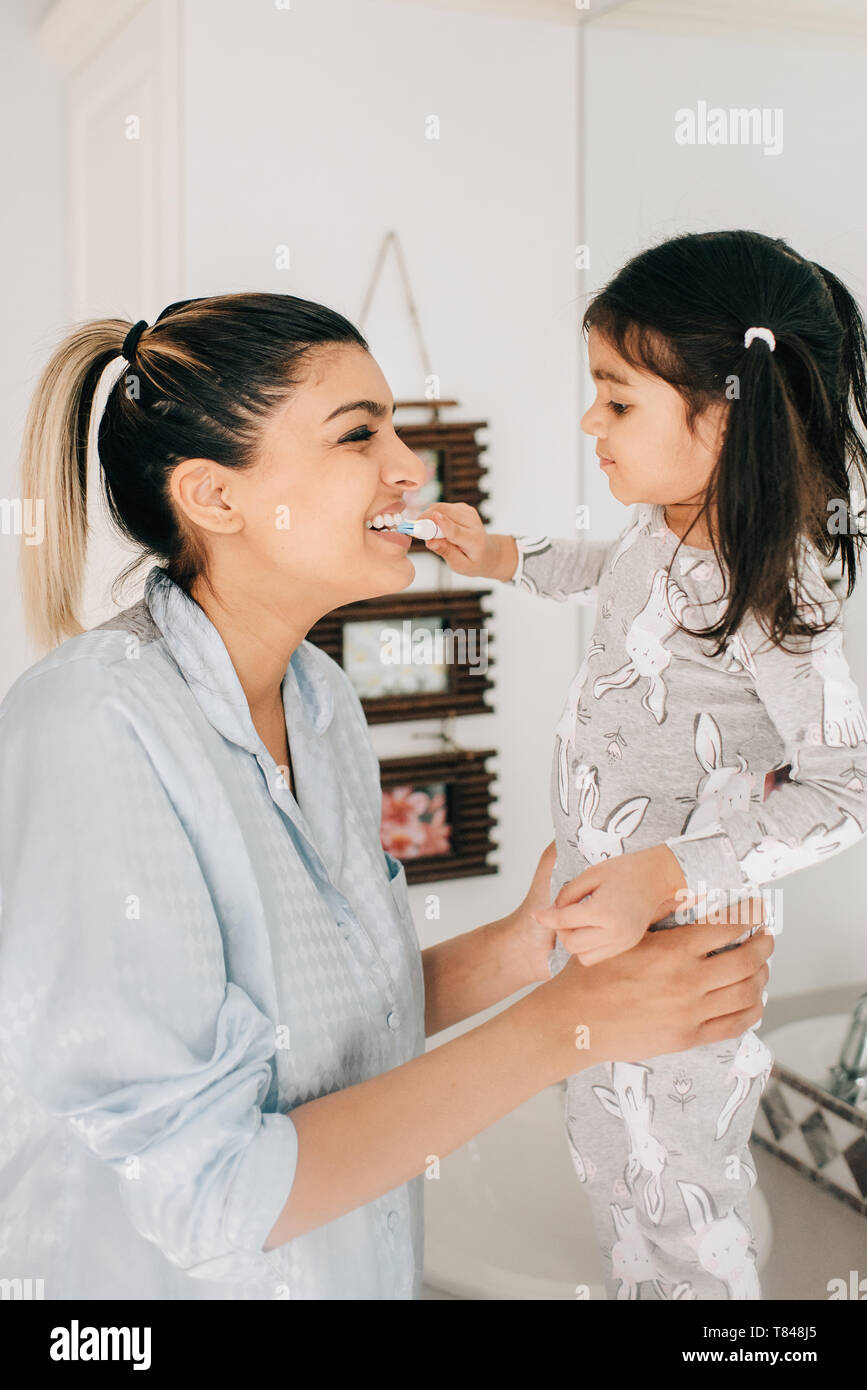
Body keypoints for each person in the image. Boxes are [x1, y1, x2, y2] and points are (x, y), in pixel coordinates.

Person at [0, 292, 772, 1300]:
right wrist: (568, 1027)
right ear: (215, 497)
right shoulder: (93, 727)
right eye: (359, 433)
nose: (410, 467)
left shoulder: (320, 707)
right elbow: (206, 1191)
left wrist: (526, 941)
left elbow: (316, 1032)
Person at [420, 229, 867, 1299]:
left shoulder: (779, 591)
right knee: (610, 1146)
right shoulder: (662, 531)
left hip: (685, 941)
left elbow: (847, 790)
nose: (590, 422)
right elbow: (602, 572)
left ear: (722, 417)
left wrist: (665, 874)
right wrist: (498, 555)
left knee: (682, 1180)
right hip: (609, 922)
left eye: (617, 401)